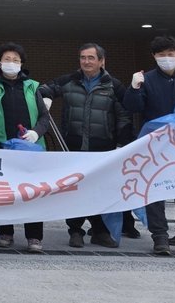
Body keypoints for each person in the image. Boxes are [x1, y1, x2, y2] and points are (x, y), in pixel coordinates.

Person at [39, 43, 130, 248]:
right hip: (73, 145)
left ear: (101, 61)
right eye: (83, 58)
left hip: (103, 147)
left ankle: (100, 231)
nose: (86, 62)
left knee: (99, 191)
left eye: (91, 58)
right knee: (74, 191)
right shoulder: (69, 80)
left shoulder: (113, 86)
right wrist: (46, 97)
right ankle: (75, 231)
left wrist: (122, 143)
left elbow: (124, 116)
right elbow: (43, 89)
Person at [124, 36, 175, 257]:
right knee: (155, 190)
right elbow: (132, 107)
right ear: (154, 56)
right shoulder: (146, 79)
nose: (166, 58)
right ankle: (159, 236)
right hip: (154, 145)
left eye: (170, 54)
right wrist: (134, 88)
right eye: (161, 55)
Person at [0, 42, 50, 253]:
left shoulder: (32, 86)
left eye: (15, 60)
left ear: (21, 64)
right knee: (4, 191)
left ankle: (34, 236)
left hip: (29, 146)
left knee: (32, 191)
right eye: (7, 59)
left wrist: (36, 132)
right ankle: (5, 232)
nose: (11, 63)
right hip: (0, 144)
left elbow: (44, 116)